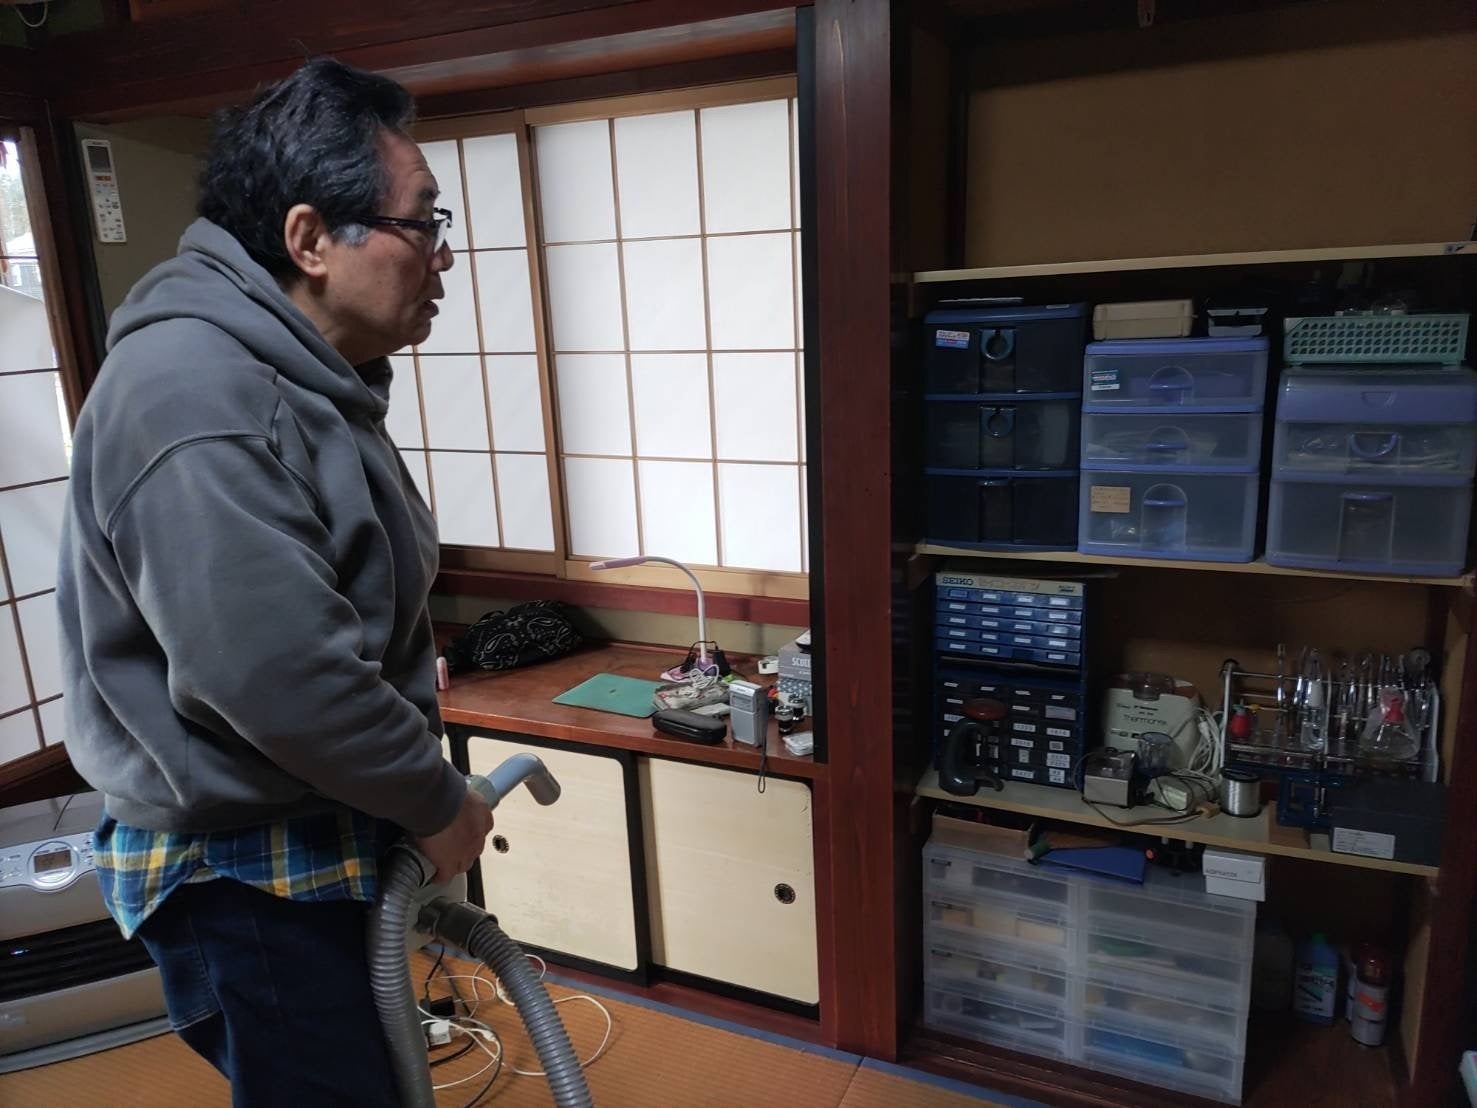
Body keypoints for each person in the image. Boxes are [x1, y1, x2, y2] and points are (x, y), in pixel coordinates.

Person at [55, 58, 492, 1105]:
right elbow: (274, 670)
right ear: (309, 239)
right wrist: (435, 798)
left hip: (302, 827)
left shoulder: (301, 378)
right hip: (238, 870)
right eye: (421, 223)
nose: (441, 256)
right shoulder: (196, 394)